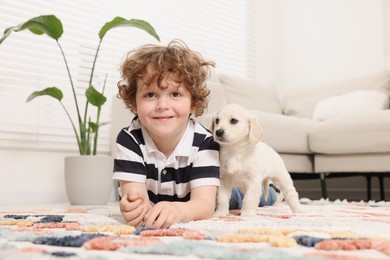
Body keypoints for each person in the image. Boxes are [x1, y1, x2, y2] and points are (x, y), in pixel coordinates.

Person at [113, 39, 277, 229]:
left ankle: (273, 191)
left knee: (247, 196)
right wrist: (135, 208)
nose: (162, 105)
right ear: (134, 103)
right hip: (169, 201)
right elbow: (135, 196)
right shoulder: (129, 139)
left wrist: (179, 211)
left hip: (213, 192)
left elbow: (205, 205)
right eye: (150, 95)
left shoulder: (205, 142)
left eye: (175, 94)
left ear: (193, 103)